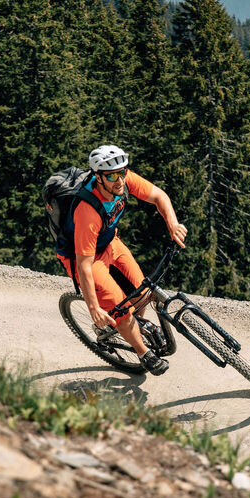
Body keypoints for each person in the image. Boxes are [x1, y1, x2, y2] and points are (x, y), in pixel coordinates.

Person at [57, 145, 187, 375]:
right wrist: (93, 308)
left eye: (123, 172)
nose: (119, 180)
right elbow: (84, 265)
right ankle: (142, 352)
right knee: (120, 307)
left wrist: (173, 225)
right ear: (98, 178)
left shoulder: (123, 180)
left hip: (109, 243)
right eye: (112, 176)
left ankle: (134, 325)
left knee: (143, 290)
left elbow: (159, 196)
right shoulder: (87, 211)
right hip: (85, 259)